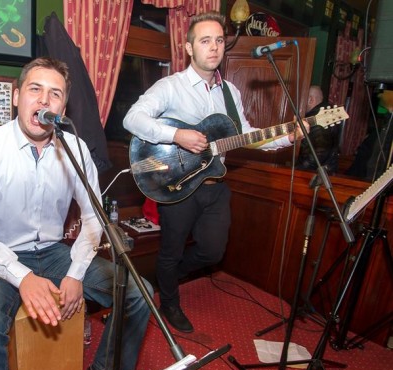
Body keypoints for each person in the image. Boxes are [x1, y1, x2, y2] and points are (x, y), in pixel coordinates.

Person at [0, 57, 153, 370]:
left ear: (63, 107)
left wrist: (75, 274)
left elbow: (93, 216)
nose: (44, 100)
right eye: (35, 89)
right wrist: (23, 277)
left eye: (55, 94)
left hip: (55, 252)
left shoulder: (75, 149)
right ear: (17, 97)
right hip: (1, 257)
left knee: (140, 293)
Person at [123, 12, 302, 333]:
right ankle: (170, 303)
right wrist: (177, 135)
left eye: (219, 40)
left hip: (215, 183)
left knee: (213, 250)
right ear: (189, 48)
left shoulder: (230, 92)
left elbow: (245, 134)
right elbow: (132, 119)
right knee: (171, 249)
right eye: (205, 41)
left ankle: (168, 277)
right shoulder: (171, 86)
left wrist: (286, 138)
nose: (214, 47)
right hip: (178, 183)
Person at [296, 85, 340, 173]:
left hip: (314, 175)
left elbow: (318, 155)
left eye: (303, 99)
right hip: (322, 173)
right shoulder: (324, 116)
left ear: (311, 100)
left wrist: (297, 170)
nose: (300, 104)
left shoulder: (317, 121)